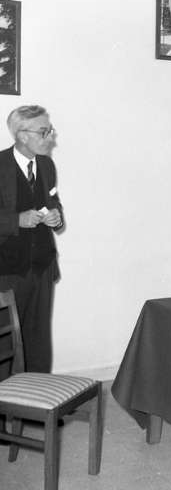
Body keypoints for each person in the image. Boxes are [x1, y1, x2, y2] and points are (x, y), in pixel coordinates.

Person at [0, 105, 63, 375]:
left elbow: (54, 201)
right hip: (8, 271)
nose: (51, 136)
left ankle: (40, 399)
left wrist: (57, 217)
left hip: (42, 268)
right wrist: (17, 220)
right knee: (5, 346)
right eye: (44, 131)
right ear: (23, 135)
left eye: (50, 130)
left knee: (39, 344)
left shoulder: (47, 165)